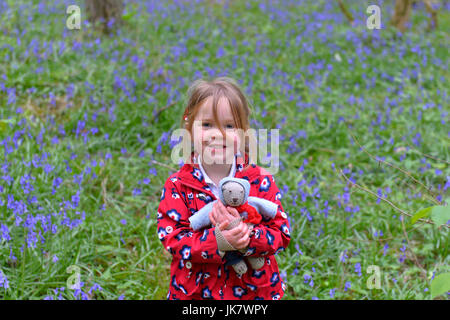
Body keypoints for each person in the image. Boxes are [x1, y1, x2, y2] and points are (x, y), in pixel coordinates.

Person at [157, 77, 290, 300]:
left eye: (229, 126)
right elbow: (172, 238)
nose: (217, 134)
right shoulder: (178, 186)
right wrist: (217, 241)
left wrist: (248, 237)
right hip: (196, 294)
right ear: (189, 128)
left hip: (252, 294)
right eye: (207, 124)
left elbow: (281, 232)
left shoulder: (259, 180)